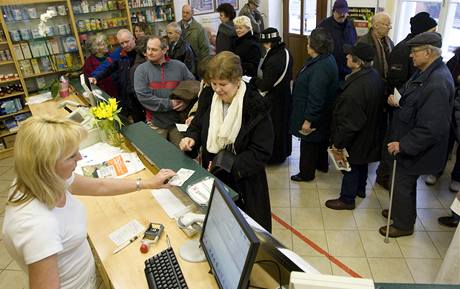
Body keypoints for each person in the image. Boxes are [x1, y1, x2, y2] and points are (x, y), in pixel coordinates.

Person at [2, 116, 176, 289]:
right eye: (71, 156)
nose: (80, 157)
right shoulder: (37, 226)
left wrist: (147, 183)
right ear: (47, 165)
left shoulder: (42, 178)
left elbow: (99, 186)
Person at [179, 51, 274, 232]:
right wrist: (191, 138)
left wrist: (228, 165)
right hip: (212, 174)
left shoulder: (255, 106)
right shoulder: (208, 96)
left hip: (243, 179)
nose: (217, 89)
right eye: (214, 83)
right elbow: (198, 125)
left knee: (243, 230)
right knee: (215, 226)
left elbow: (261, 151)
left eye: (223, 84)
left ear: (238, 81)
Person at [381, 32, 455, 238]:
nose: (411, 56)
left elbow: (431, 127)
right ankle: (399, 212)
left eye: (414, 52)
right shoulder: (424, 71)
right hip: (407, 137)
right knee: (401, 183)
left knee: (403, 184)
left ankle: (403, 225)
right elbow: (412, 98)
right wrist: (399, 100)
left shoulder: (438, 82)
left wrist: (403, 146)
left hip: (415, 147)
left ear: (428, 52)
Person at [325, 42, 385, 210]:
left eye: (350, 56)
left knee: (350, 166)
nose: (346, 57)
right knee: (362, 163)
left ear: (358, 62)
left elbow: (349, 123)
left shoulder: (355, 89)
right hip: (370, 133)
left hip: (357, 136)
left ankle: (347, 199)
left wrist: (338, 143)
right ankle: (360, 190)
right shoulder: (375, 77)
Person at [290, 28, 339, 182]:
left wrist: (308, 120)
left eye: (309, 41)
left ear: (316, 45)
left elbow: (316, 97)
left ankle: (306, 173)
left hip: (313, 113)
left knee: (308, 143)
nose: (307, 44)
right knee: (320, 139)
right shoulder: (324, 59)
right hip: (322, 113)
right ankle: (321, 165)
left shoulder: (321, 67)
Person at [134, 36, 195, 147]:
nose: (149, 53)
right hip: (155, 122)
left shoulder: (179, 66)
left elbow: (193, 87)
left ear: (164, 50)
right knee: (157, 156)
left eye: (154, 49)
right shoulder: (141, 70)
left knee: (183, 156)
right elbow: (143, 97)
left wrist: (186, 102)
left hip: (178, 121)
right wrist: (170, 104)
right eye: (148, 49)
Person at [249, 27, 293, 164]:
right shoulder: (286, 52)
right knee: (284, 126)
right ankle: (284, 152)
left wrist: (252, 80)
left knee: (274, 129)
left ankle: (274, 157)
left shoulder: (273, 60)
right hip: (285, 95)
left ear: (269, 43)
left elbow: (265, 85)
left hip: (274, 100)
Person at [89, 29, 145, 123]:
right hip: (126, 95)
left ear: (133, 38)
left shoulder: (143, 52)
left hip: (141, 96)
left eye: (127, 42)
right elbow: (108, 67)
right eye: (122, 43)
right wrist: (96, 77)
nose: (125, 45)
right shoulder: (120, 53)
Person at [317, 0, 357, 81]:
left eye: (344, 12)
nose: (342, 15)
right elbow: (317, 47)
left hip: (348, 69)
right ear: (333, 11)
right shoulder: (324, 25)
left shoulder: (351, 23)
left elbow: (355, 42)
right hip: (330, 70)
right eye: (339, 12)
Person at [82, 33, 117, 98]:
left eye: (106, 43)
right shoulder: (89, 62)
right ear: (96, 48)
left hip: (117, 92)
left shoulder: (111, 55)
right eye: (103, 44)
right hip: (102, 95)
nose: (106, 45)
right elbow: (88, 82)